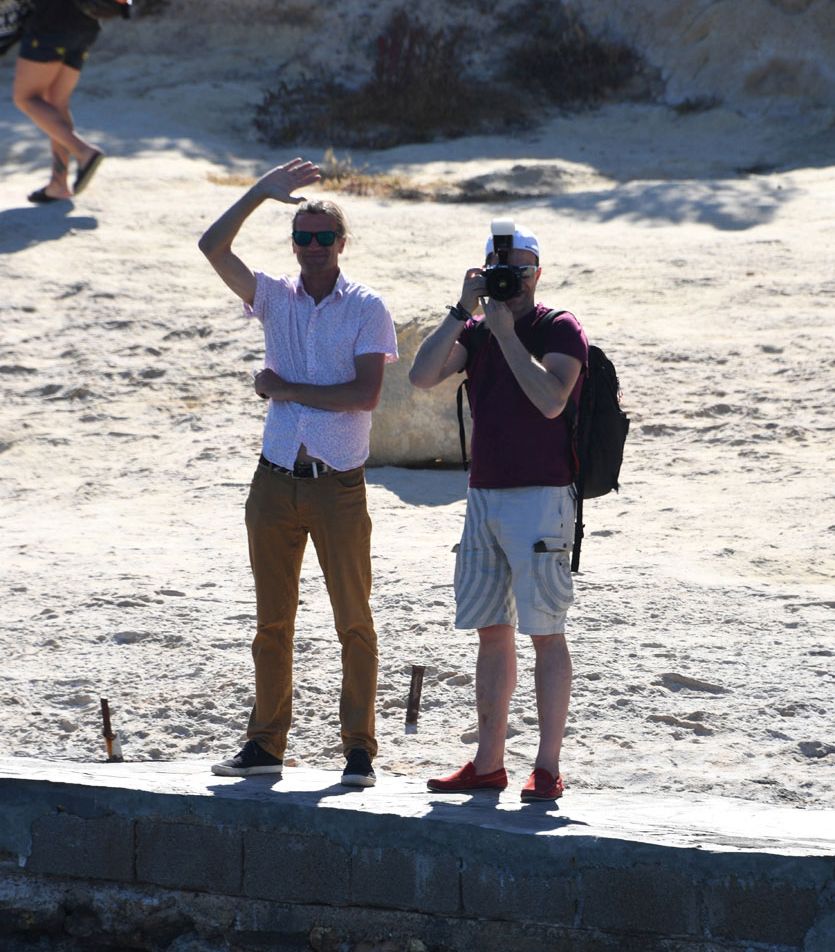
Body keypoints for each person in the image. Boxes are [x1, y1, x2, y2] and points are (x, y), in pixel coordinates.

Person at [199, 157, 398, 788]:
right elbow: (211, 247)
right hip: (274, 481)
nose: (313, 247)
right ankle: (265, 745)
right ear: (294, 242)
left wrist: (284, 388)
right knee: (271, 623)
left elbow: (365, 394)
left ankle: (359, 750)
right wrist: (258, 191)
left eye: (324, 237)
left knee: (354, 622)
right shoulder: (275, 298)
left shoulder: (366, 307)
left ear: (342, 242)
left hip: (339, 485)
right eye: (304, 237)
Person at [409, 222, 588, 801]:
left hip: (542, 497)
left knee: (546, 633)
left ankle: (547, 766)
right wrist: (461, 311)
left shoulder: (559, 327)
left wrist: (508, 334)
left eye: (522, 270)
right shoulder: (477, 330)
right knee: (491, 631)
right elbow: (420, 376)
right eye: (501, 271)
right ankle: (488, 764)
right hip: (483, 496)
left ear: (539, 273)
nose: (513, 281)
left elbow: (551, 400)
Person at [1, 0, 104, 202]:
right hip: (86, 18)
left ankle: (84, 153)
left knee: (25, 97)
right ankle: (59, 184)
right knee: (55, 102)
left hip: (52, 20)